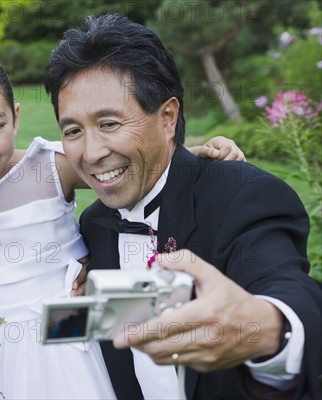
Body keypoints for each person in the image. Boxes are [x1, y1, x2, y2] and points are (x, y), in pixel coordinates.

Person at [0, 45, 246, 399]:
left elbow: (138, 166)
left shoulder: (49, 166)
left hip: (68, 327)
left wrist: (205, 152)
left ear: (15, 116)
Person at [44, 14, 322, 400]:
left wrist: (267, 328)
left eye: (109, 124)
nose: (91, 153)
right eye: (73, 131)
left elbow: (288, 289)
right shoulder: (95, 225)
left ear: (168, 117)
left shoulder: (243, 197)